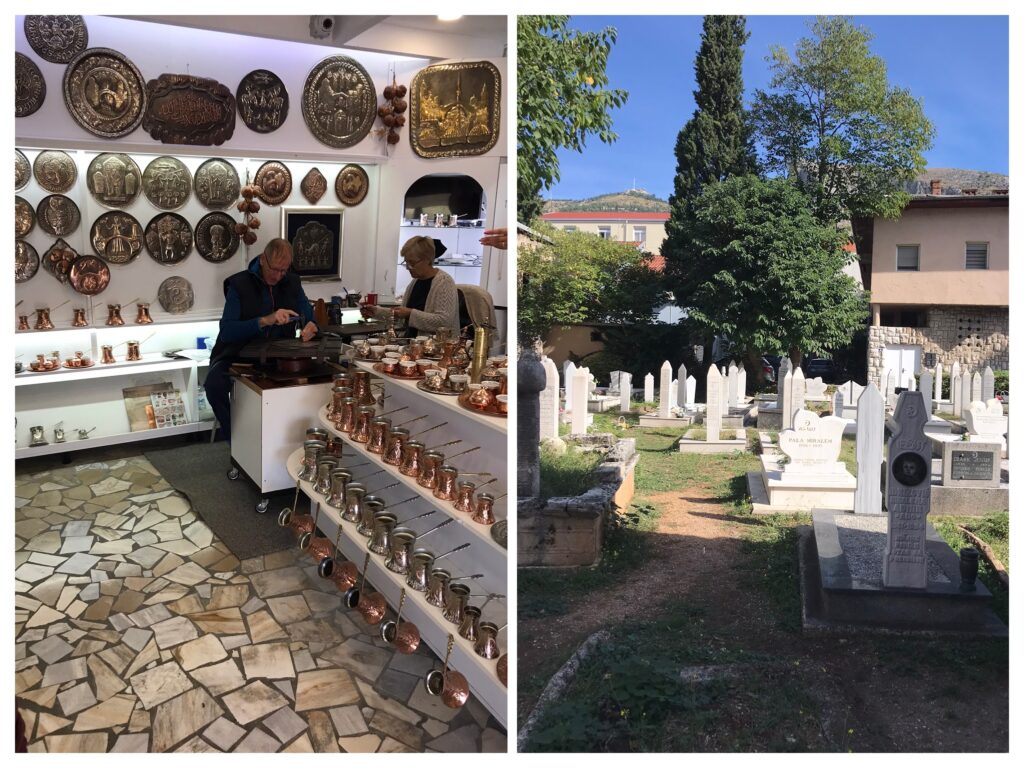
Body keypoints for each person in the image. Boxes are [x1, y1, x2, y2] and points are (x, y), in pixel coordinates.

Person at [206, 238, 317, 441]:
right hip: (238, 353)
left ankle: (283, 441)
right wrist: (266, 320)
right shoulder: (238, 284)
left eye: (284, 270)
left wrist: (312, 325)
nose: (279, 275)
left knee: (314, 380)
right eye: (275, 269)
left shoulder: (292, 281)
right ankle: (237, 440)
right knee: (213, 385)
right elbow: (227, 331)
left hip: (278, 354)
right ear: (263, 259)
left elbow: (307, 312)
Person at [363, 236, 459, 336]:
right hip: (410, 343)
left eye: (412, 263)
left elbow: (444, 323)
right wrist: (376, 312)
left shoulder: (444, 283)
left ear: (427, 259)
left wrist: (410, 313)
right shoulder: (415, 282)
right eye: (406, 262)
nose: (408, 267)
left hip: (435, 347)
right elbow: (402, 316)